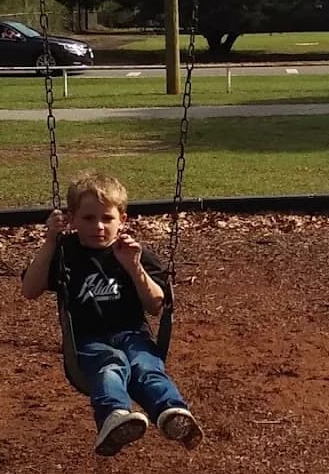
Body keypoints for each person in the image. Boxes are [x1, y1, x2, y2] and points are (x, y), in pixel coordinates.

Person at [22, 171, 204, 459]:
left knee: (145, 367)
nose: (98, 226)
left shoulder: (134, 253)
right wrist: (50, 242)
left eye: (107, 218)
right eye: (88, 218)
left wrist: (133, 267)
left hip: (133, 335)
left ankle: (171, 413)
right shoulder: (65, 252)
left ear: (123, 220)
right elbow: (30, 290)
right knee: (111, 365)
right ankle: (114, 418)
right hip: (89, 342)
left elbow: (156, 305)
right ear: (71, 220)